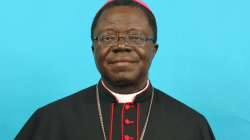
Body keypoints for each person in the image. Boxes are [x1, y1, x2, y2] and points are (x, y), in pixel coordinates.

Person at [15, 0, 216, 140]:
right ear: (94, 49)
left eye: (136, 37)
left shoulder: (191, 124)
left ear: (153, 50)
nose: (122, 46)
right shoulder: (51, 119)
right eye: (108, 37)